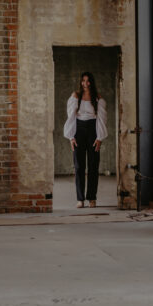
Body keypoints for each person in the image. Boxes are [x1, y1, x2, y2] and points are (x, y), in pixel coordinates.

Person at [63, 71, 108, 209]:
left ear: (91, 82)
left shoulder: (97, 98)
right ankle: (80, 199)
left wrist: (99, 137)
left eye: (88, 81)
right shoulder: (75, 96)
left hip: (93, 130)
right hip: (78, 130)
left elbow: (102, 119)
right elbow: (71, 116)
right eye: (83, 80)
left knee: (93, 166)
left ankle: (92, 198)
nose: (85, 83)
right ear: (80, 82)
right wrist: (71, 137)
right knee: (79, 166)